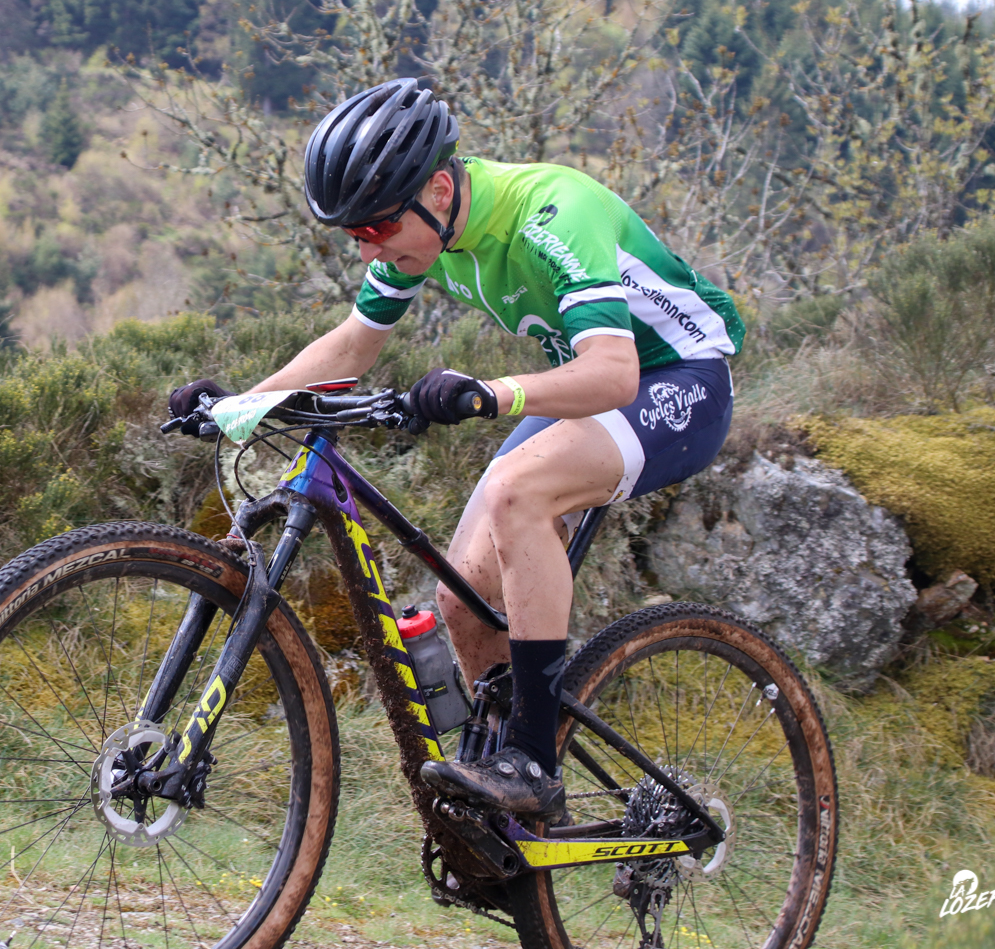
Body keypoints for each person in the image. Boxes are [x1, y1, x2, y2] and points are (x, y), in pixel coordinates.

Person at [169, 78, 744, 822]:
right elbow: (353, 345)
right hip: (591, 382)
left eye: (374, 228)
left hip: (677, 381)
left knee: (518, 492)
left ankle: (533, 763)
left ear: (438, 190)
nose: (368, 246)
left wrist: (489, 392)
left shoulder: (552, 215)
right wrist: (241, 407)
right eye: (352, 236)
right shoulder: (421, 235)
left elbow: (614, 371)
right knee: (464, 601)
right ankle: (514, 816)